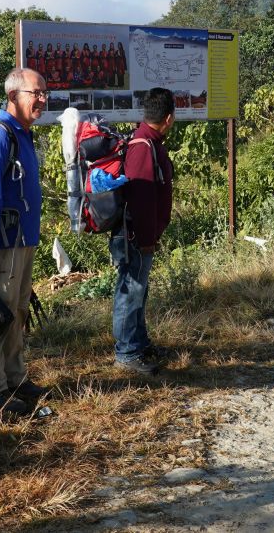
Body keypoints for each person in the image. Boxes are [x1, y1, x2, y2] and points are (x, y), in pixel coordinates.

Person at [0, 68, 47, 418]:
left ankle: (15, 380)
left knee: (17, 313)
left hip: (23, 239)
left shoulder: (23, 134)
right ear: (13, 95)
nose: (43, 99)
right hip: (3, 241)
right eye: (37, 93)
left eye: (45, 93)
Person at [110, 88, 175, 374]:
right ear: (169, 118)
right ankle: (126, 353)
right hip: (136, 237)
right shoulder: (143, 146)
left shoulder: (149, 141)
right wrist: (147, 239)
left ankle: (139, 343)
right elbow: (142, 199)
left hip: (140, 235)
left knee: (139, 291)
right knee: (130, 291)